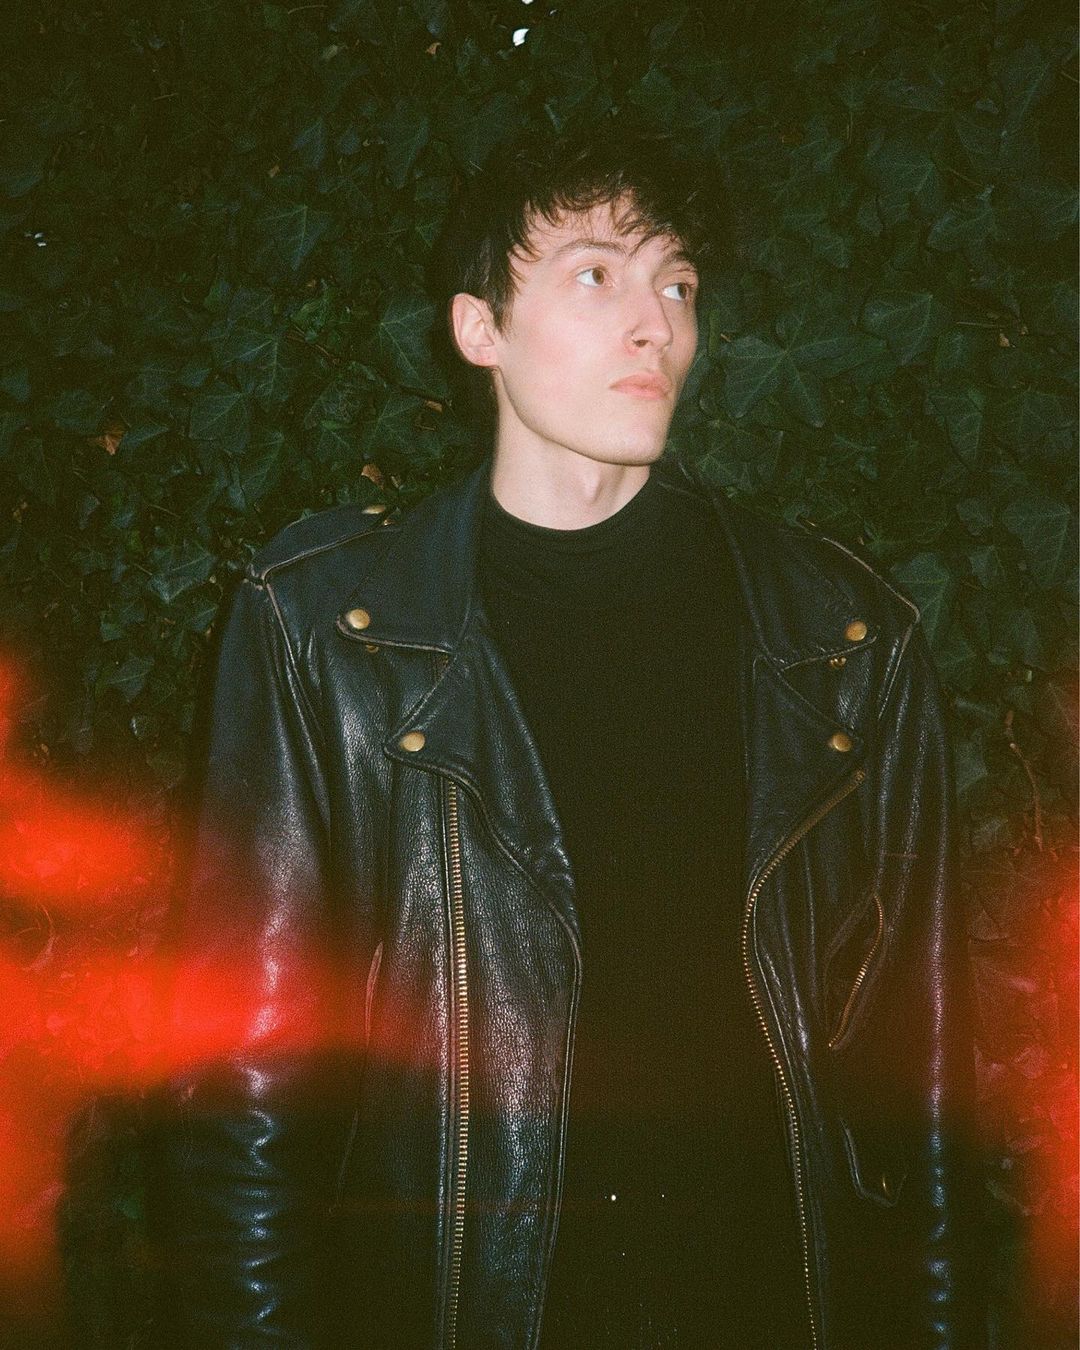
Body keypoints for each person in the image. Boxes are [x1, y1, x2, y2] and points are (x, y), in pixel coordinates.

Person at [159, 128, 983, 1349]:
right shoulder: (328, 630)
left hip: (772, 1303)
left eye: (677, 283)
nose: (655, 323)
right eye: (596, 275)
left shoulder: (843, 637)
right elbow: (247, 1080)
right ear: (478, 330)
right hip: (463, 1309)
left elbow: (928, 1079)